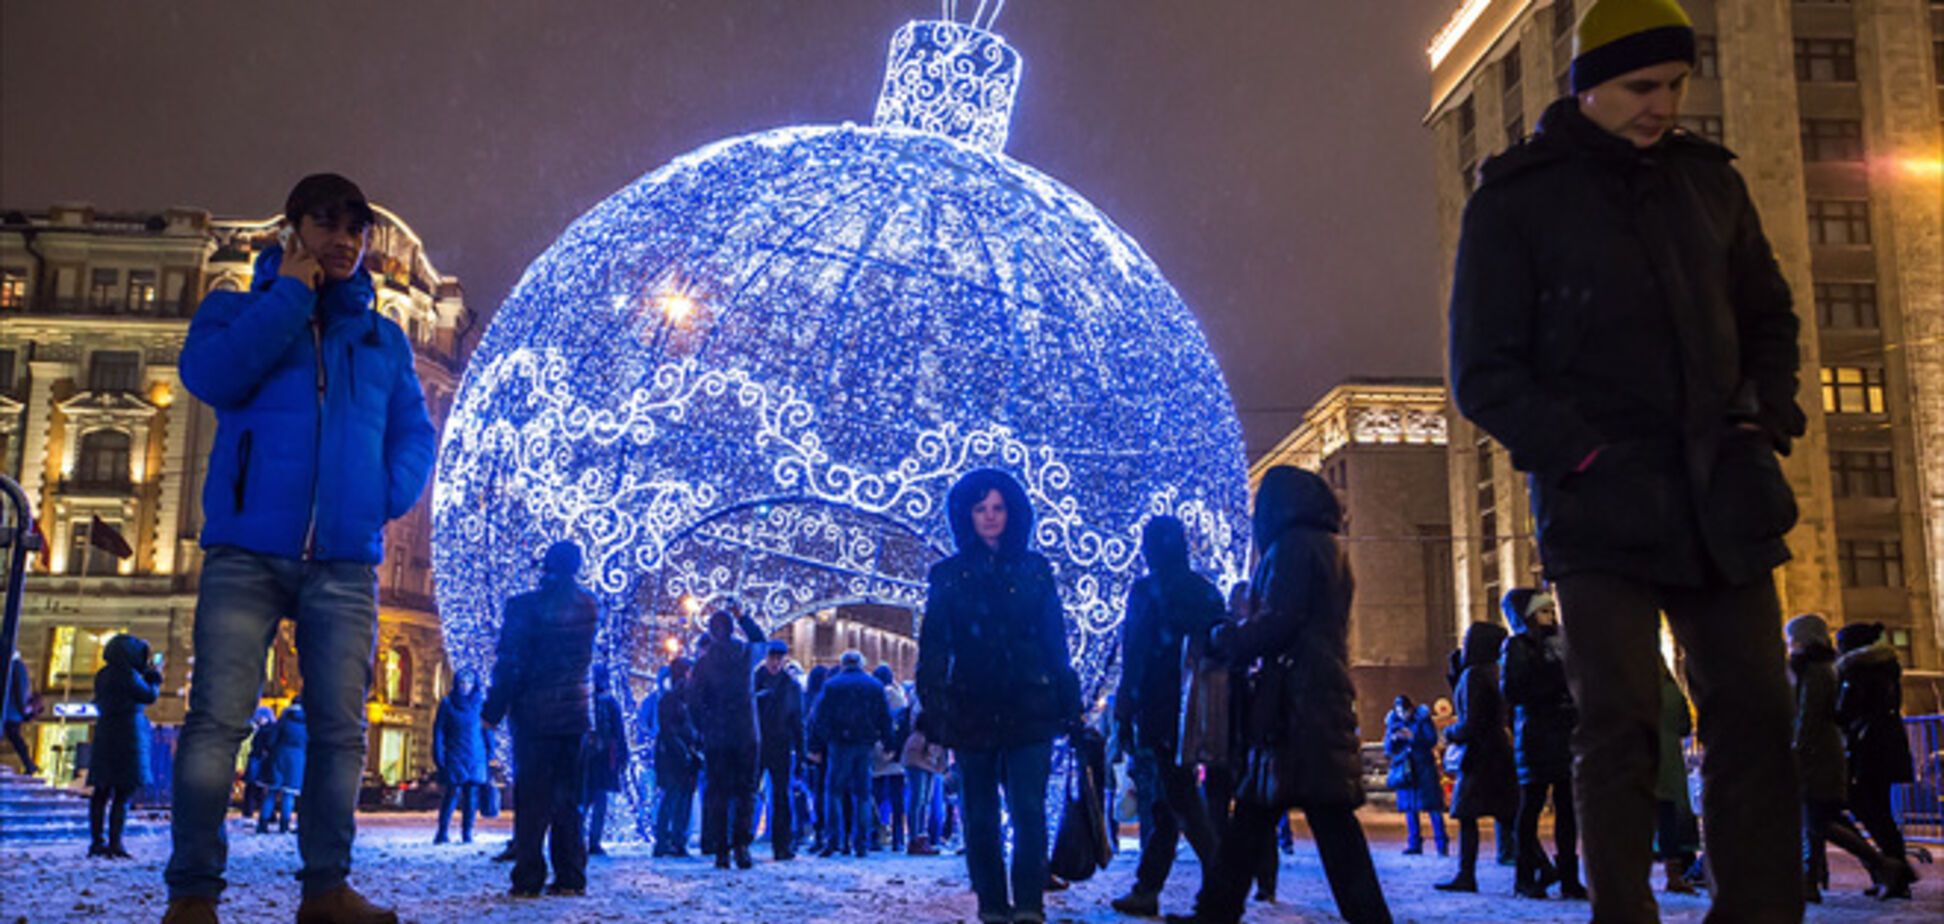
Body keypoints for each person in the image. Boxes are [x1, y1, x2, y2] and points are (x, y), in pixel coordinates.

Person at [1447, 0, 1810, 916]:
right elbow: (1484, 373)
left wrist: (1760, 422)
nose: (1663, 105)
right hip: (1601, 505)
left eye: (1677, 85)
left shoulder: (1708, 184)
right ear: (1590, 84)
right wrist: (1584, 455)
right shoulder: (1516, 199)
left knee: (1757, 719)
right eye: (1643, 86)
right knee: (1617, 730)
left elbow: (1770, 317)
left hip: (1722, 493)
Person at [164, 173, 435, 924]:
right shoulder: (234, 310)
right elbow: (209, 376)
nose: (345, 241)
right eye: (328, 225)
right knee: (217, 722)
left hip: (344, 561)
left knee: (341, 732)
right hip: (246, 550)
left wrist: (382, 494)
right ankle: (192, 895)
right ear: (293, 233)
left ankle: (326, 891)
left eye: (356, 230)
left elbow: (415, 431)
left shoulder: (381, 339)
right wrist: (288, 296)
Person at [1165, 467, 1389, 924]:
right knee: (1256, 817)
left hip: (1297, 705)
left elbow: (1281, 620)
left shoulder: (1293, 547)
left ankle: (1368, 918)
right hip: (1305, 700)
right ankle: (1215, 911)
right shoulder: (1325, 546)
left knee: (1324, 824)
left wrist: (1229, 639)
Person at [915, 469, 1083, 924]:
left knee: (1028, 810)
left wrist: (1069, 700)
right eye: (980, 508)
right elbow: (935, 645)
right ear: (966, 515)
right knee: (980, 815)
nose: (990, 517)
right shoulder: (948, 575)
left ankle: (1029, 903)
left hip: (1030, 703)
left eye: (998, 508)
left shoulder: (1034, 569)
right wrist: (932, 706)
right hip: (973, 704)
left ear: (1012, 512)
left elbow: (1055, 639)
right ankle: (992, 903)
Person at [1109, 515, 1224, 917]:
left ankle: (1220, 886)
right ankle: (1148, 887)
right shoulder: (1205, 592)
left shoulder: (1147, 591)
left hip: (1158, 708)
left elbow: (1135, 651)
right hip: (1197, 708)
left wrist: (1126, 706)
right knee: (1169, 800)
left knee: (1178, 799)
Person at [483, 540, 600, 899]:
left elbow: (511, 662)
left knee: (533, 798)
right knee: (569, 799)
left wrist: (493, 710)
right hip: (576, 714)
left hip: (535, 713)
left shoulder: (524, 607)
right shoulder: (591, 605)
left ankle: (529, 875)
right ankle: (570, 875)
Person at [1497, 589, 1583, 900]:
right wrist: (1554, 683)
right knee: (1531, 806)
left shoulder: (1563, 643)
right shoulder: (1518, 646)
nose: (1550, 616)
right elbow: (1515, 691)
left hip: (1564, 732)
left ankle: (1570, 878)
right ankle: (1525, 876)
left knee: (1567, 810)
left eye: (1551, 610)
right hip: (1535, 734)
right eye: (1542, 611)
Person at [1199, 581, 1280, 904]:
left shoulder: (1262, 643)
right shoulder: (1229, 641)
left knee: (1256, 815)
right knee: (1219, 813)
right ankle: (1224, 880)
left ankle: (1262, 881)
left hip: (1249, 742)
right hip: (1225, 740)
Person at [1834, 622, 1919, 899]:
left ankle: (1894, 871)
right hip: (1885, 744)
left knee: (1868, 809)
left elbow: (1846, 711)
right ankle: (1896, 873)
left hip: (1867, 747)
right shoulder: (1885, 667)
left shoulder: (1857, 670)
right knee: (1880, 810)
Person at [1436, 622, 1517, 894]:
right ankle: (1540, 865)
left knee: (1468, 815)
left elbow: (1471, 721)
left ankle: (1466, 874)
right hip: (1498, 753)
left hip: (1479, 756)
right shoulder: (1494, 671)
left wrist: (1450, 732)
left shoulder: (1475, 675)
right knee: (1507, 815)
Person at [690, 604, 768, 870]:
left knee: (718, 793)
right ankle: (742, 846)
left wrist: (702, 729)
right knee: (746, 792)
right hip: (745, 733)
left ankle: (721, 848)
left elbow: (694, 701)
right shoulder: (744, 653)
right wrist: (743, 616)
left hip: (717, 736)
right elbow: (760, 640)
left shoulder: (704, 663)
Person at [810, 650, 892, 858]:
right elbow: (885, 717)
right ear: (862, 664)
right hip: (865, 744)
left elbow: (818, 718)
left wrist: (816, 745)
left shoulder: (832, 686)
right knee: (863, 794)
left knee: (834, 792)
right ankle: (861, 842)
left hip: (839, 744)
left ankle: (833, 840)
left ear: (843, 664)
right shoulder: (874, 686)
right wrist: (889, 743)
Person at [89, 634, 162, 859]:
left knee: (101, 792)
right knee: (123, 792)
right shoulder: (127, 674)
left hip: (106, 733)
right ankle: (115, 842)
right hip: (127, 734)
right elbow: (148, 696)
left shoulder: (103, 674)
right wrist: (154, 679)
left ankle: (97, 841)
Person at [753, 640, 804, 860]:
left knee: (781, 796)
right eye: (772, 657)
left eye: (778, 658)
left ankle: (781, 844)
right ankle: (742, 840)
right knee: (751, 792)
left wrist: (801, 749)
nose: (775, 662)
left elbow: (796, 720)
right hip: (758, 743)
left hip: (779, 744)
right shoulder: (756, 681)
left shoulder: (789, 685)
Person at [1654, 663, 1698, 895]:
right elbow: (1684, 726)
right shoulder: (1672, 691)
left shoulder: (1634, 689)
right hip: (1669, 760)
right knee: (1667, 818)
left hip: (1640, 758)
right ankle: (1674, 874)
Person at [1384, 696, 1448, 858]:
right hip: (1405, 768)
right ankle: (1414, 843)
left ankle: (1441, 844)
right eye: (1398, 711)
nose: (1402, 714)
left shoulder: (1423, 719)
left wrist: (1412, 737)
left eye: (1404, 710)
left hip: (1423, 767)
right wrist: (1394, 739)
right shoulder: (1394, 721)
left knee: (1433, 806)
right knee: (1410, 806)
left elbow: (1431, 739)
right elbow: (1388, 748)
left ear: (1411, 709)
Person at [432, 669, 489, 846]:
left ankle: (467, 833)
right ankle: (442, 832)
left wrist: (490, 751)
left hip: (475, 756)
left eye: (468, 683)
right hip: (455, 755)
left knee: (471, 797)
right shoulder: (447, 704)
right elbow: (439, 731)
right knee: (451, 794)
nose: (465, 686)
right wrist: (438, 753)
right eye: (462, 683)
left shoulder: (480, 704)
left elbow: (487, 729)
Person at [653, 657, 702, 858]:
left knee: (681, 798)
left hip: (683, 755)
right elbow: (670, 730)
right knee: (674, 797)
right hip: (675, 757)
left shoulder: (684, 698)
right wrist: (685, 750)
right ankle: (667, 840)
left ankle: (674, 839)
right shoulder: (672, 699)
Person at [581, 666, 629, 857]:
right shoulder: (607, 703)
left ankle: (587, 839)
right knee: (594, 800)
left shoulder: (599, 703)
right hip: (597, 759)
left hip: (593, 759)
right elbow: (619, 732)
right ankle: (591, 840)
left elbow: (618, 732)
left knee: (589, 800)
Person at [899, 691, 948, 855]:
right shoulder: (920, 736)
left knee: (922, 800)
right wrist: (935, 767)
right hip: (919, 765)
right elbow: (913, 757)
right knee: (918, 800)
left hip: (923, 765)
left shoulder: (924, 731)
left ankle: (920, 837)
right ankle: (916, 837)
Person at [871, 664, 910, 851]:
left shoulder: (874, 697)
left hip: (877, 753)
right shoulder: (900, 697)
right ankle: (898, 838)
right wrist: (896, 749)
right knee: (897, 800)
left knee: (876, 797)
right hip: (896, 756)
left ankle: (876, 835)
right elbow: (904, 726)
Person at [258, 698, 307, 836]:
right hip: (297, 759)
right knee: (289, 794)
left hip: (279, 755)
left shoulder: (283, 719)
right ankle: (284, 825)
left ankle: (263, 823)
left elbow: (271, 740)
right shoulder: (307, 722)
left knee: (272, 792)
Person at [4, 651, 39, 775]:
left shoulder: (15, 666)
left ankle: (29, 764)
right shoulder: (17, 666)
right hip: (12, 711)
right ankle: (29, 764)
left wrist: (22, 709)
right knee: (15, 738)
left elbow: (20, 690)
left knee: (15, 738)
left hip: (10, 711)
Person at [241, 708, 275, 821]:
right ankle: (264, 813)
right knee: (258, 788)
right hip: (261, 760)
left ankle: (251, 811)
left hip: (258, 759)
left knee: (254, 787)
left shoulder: (262, 730)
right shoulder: (270, 729)